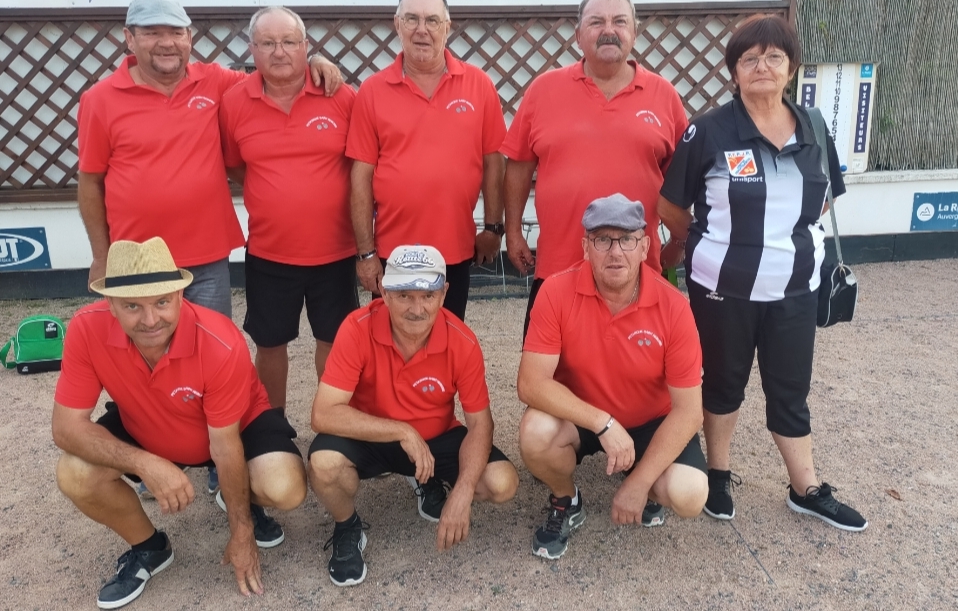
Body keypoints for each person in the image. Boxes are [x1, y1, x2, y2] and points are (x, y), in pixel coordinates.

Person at [658, 14, 868, 531]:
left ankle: (806, 487)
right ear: (734, 71)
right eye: (749, 58)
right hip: (722, 287)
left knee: (790, 388)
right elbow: (670, 207)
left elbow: (824, 200)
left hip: (796, 288)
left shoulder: (814, 127)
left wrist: (780, 235)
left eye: (774, 57)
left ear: (791, 67)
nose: (762, 67)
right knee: (722, 382)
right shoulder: (708, 131)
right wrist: (706, 241)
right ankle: (718, 474)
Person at [52, 237, 307, 609]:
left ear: (179, 294)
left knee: (286, 488)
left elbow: (225, 446)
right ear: (110, 305)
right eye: (132, 306)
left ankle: (240, 499)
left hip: (234, 427)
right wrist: (146, 464)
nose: (150, 320)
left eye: (161, 302)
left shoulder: (219, 340)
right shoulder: (85, 328)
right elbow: (66, 428)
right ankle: (150, 548)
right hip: (145, 423)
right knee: (73, 473)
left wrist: (242, 533)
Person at [77, 0, 342, 319]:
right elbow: (90, 183)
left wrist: (314, 61)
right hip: (138, 258)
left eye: (176, 32)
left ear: (189, 38)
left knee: (209, 343)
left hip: (207, 258)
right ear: (129, 38)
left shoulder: (215, 82)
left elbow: (278, 74)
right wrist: (101, 256)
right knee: (145, 343)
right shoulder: (99, 99)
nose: (166, 43)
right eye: (152, 33)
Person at [307, 244, 519, 586]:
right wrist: (403, 431)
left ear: (444, 293)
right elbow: (323, 414)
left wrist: (463, 491)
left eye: (428, 295)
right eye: (404, 295)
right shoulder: (357, 327)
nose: (417, 309)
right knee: (323, 465)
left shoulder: (462, 341)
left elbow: (481, 423)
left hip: (436, 438)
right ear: (384, 292)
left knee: (501, 482)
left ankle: (427, 479)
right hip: (371, 436)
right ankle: (347, 525)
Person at [517, 194, 707, 560]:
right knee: (535, 433)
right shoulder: (555, 291)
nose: (615, 252)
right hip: (584, 415)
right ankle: (566, 499)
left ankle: (641, 477)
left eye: (627, 239)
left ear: (645, 247)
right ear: (585, 247)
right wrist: (603, 423)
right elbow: (530, 384)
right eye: (603, 239)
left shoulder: (674, 306)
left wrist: (639, 484)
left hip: (651, 420)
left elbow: (689, 411)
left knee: (690, 494)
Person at [501, 0, 688, 336]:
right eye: (597, 22)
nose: (609, 30)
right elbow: (518, 167)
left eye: (620, 22)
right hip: (558, 269)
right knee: (546, 365)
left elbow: (681, 183)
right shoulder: (543, 90)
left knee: (636, 366)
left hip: (636, 270)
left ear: (635, 32)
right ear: (578, 35)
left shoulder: (664, 95)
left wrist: (678, 241)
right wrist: (512, 232)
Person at [220, 6, 358, 414]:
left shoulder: (340, 95)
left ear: (305, 46)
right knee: (269, 343)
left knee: (334, 341)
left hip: (336, 250)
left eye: (289, 42)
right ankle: (272, 425)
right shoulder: (233, 101)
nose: (279, 51)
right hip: (270, 252)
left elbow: (363, 162)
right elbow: (235, 165)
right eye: (267, 43)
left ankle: (334, 422)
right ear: (252, 48)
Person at [346, 0, 507, 321]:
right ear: (397, 24)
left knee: (448, 338)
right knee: (390, 340)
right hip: (392, 252)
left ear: (447, 27)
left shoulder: (479, 85)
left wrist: (493, 228)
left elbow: (494, 162)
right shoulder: (372, 91)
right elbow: (360, 176)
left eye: (432, 20)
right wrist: (365, 253)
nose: (422, 29)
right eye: (412, 19)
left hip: (455, 249)